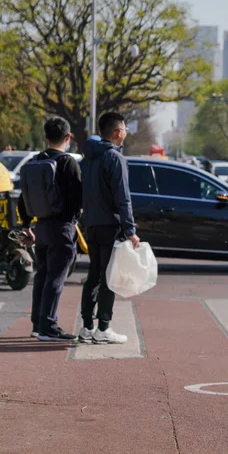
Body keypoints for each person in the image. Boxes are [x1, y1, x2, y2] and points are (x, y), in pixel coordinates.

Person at [18, 118, 83, 342]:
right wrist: (75, 218)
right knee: (56, 277)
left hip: (41, 226)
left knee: (42, 275)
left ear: (45, 137)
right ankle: (49, 326)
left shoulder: (34, 161)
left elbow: (23, 197)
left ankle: (38, 323)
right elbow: (77, 197)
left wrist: (26, 225)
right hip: (62, 227)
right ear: (68, 138)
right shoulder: (69, 163)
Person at [79, 112, 140, 345]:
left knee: (93, 275)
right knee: (109, 278)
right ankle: (103, 328)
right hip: (110, 226)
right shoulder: (115, 158)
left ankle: (86, 327)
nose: (126, 132)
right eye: (124, 128)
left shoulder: (88, 159)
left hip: (92, 225)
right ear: (117, 132)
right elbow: (123, 197)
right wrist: (130, 229)